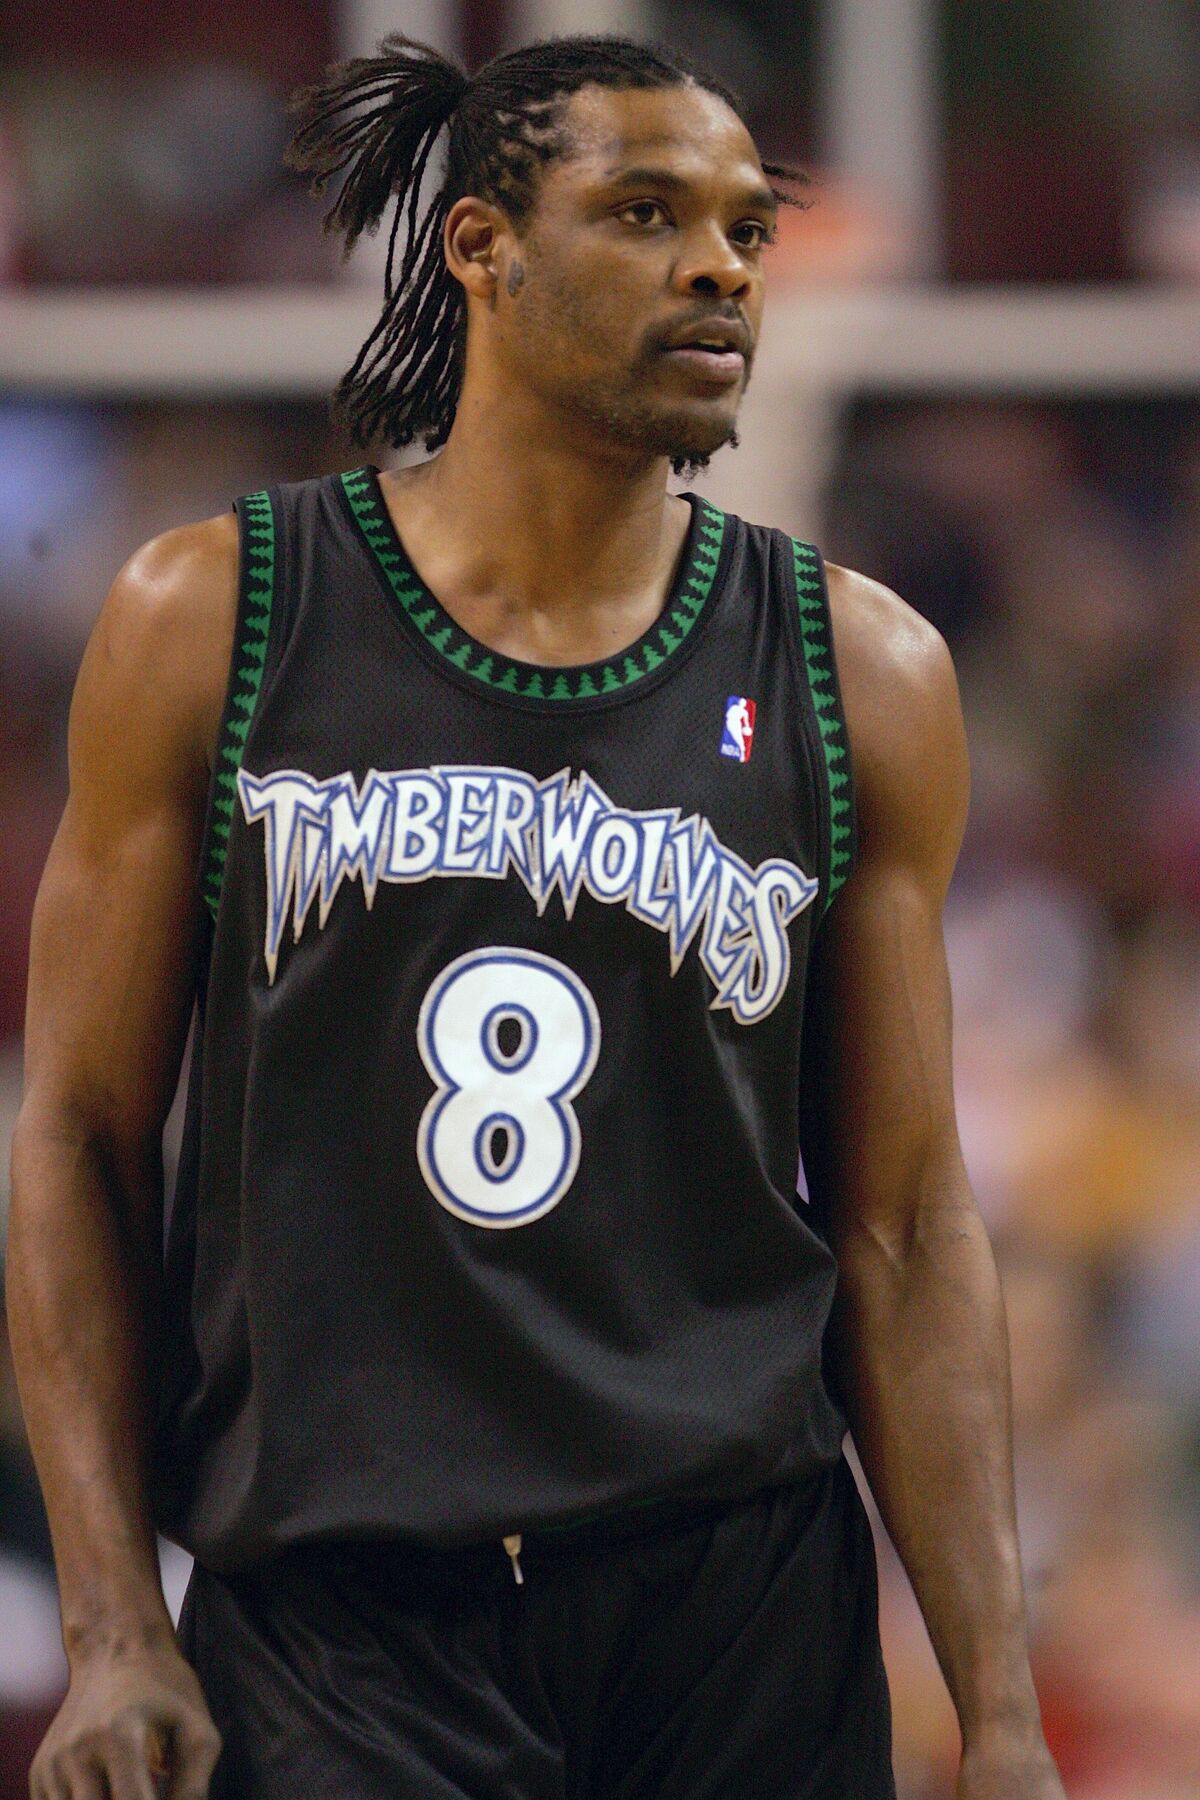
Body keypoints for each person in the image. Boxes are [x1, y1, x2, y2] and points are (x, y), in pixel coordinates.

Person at [6, 33, 1067, 1800]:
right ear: (480, 246)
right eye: (646, 213)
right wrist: (117, 1621)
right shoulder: (219, 616)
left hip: (740, 1607)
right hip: (350, 1615)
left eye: (744, 225)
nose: (720, 263)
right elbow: (79, 1142)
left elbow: (898, 1223)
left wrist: (1005, 1711)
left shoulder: (862, 669)